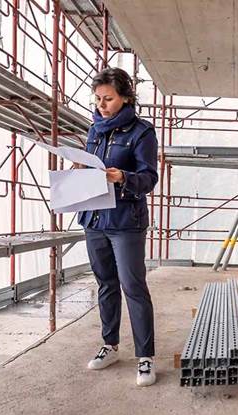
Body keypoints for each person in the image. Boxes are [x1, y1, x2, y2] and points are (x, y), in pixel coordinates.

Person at [76, 67, 158, 386]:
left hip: (125, 223)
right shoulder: (94, 130)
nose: (101, 105)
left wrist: (123, 177)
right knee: (105, 284)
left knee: (133, 287)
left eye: (108, 99)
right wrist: (78, 169)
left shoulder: (142, 132)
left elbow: (149, 179)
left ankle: (145, 357)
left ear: (125, 98)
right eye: (97, 99)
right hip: (94, 219)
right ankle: (109, 346)